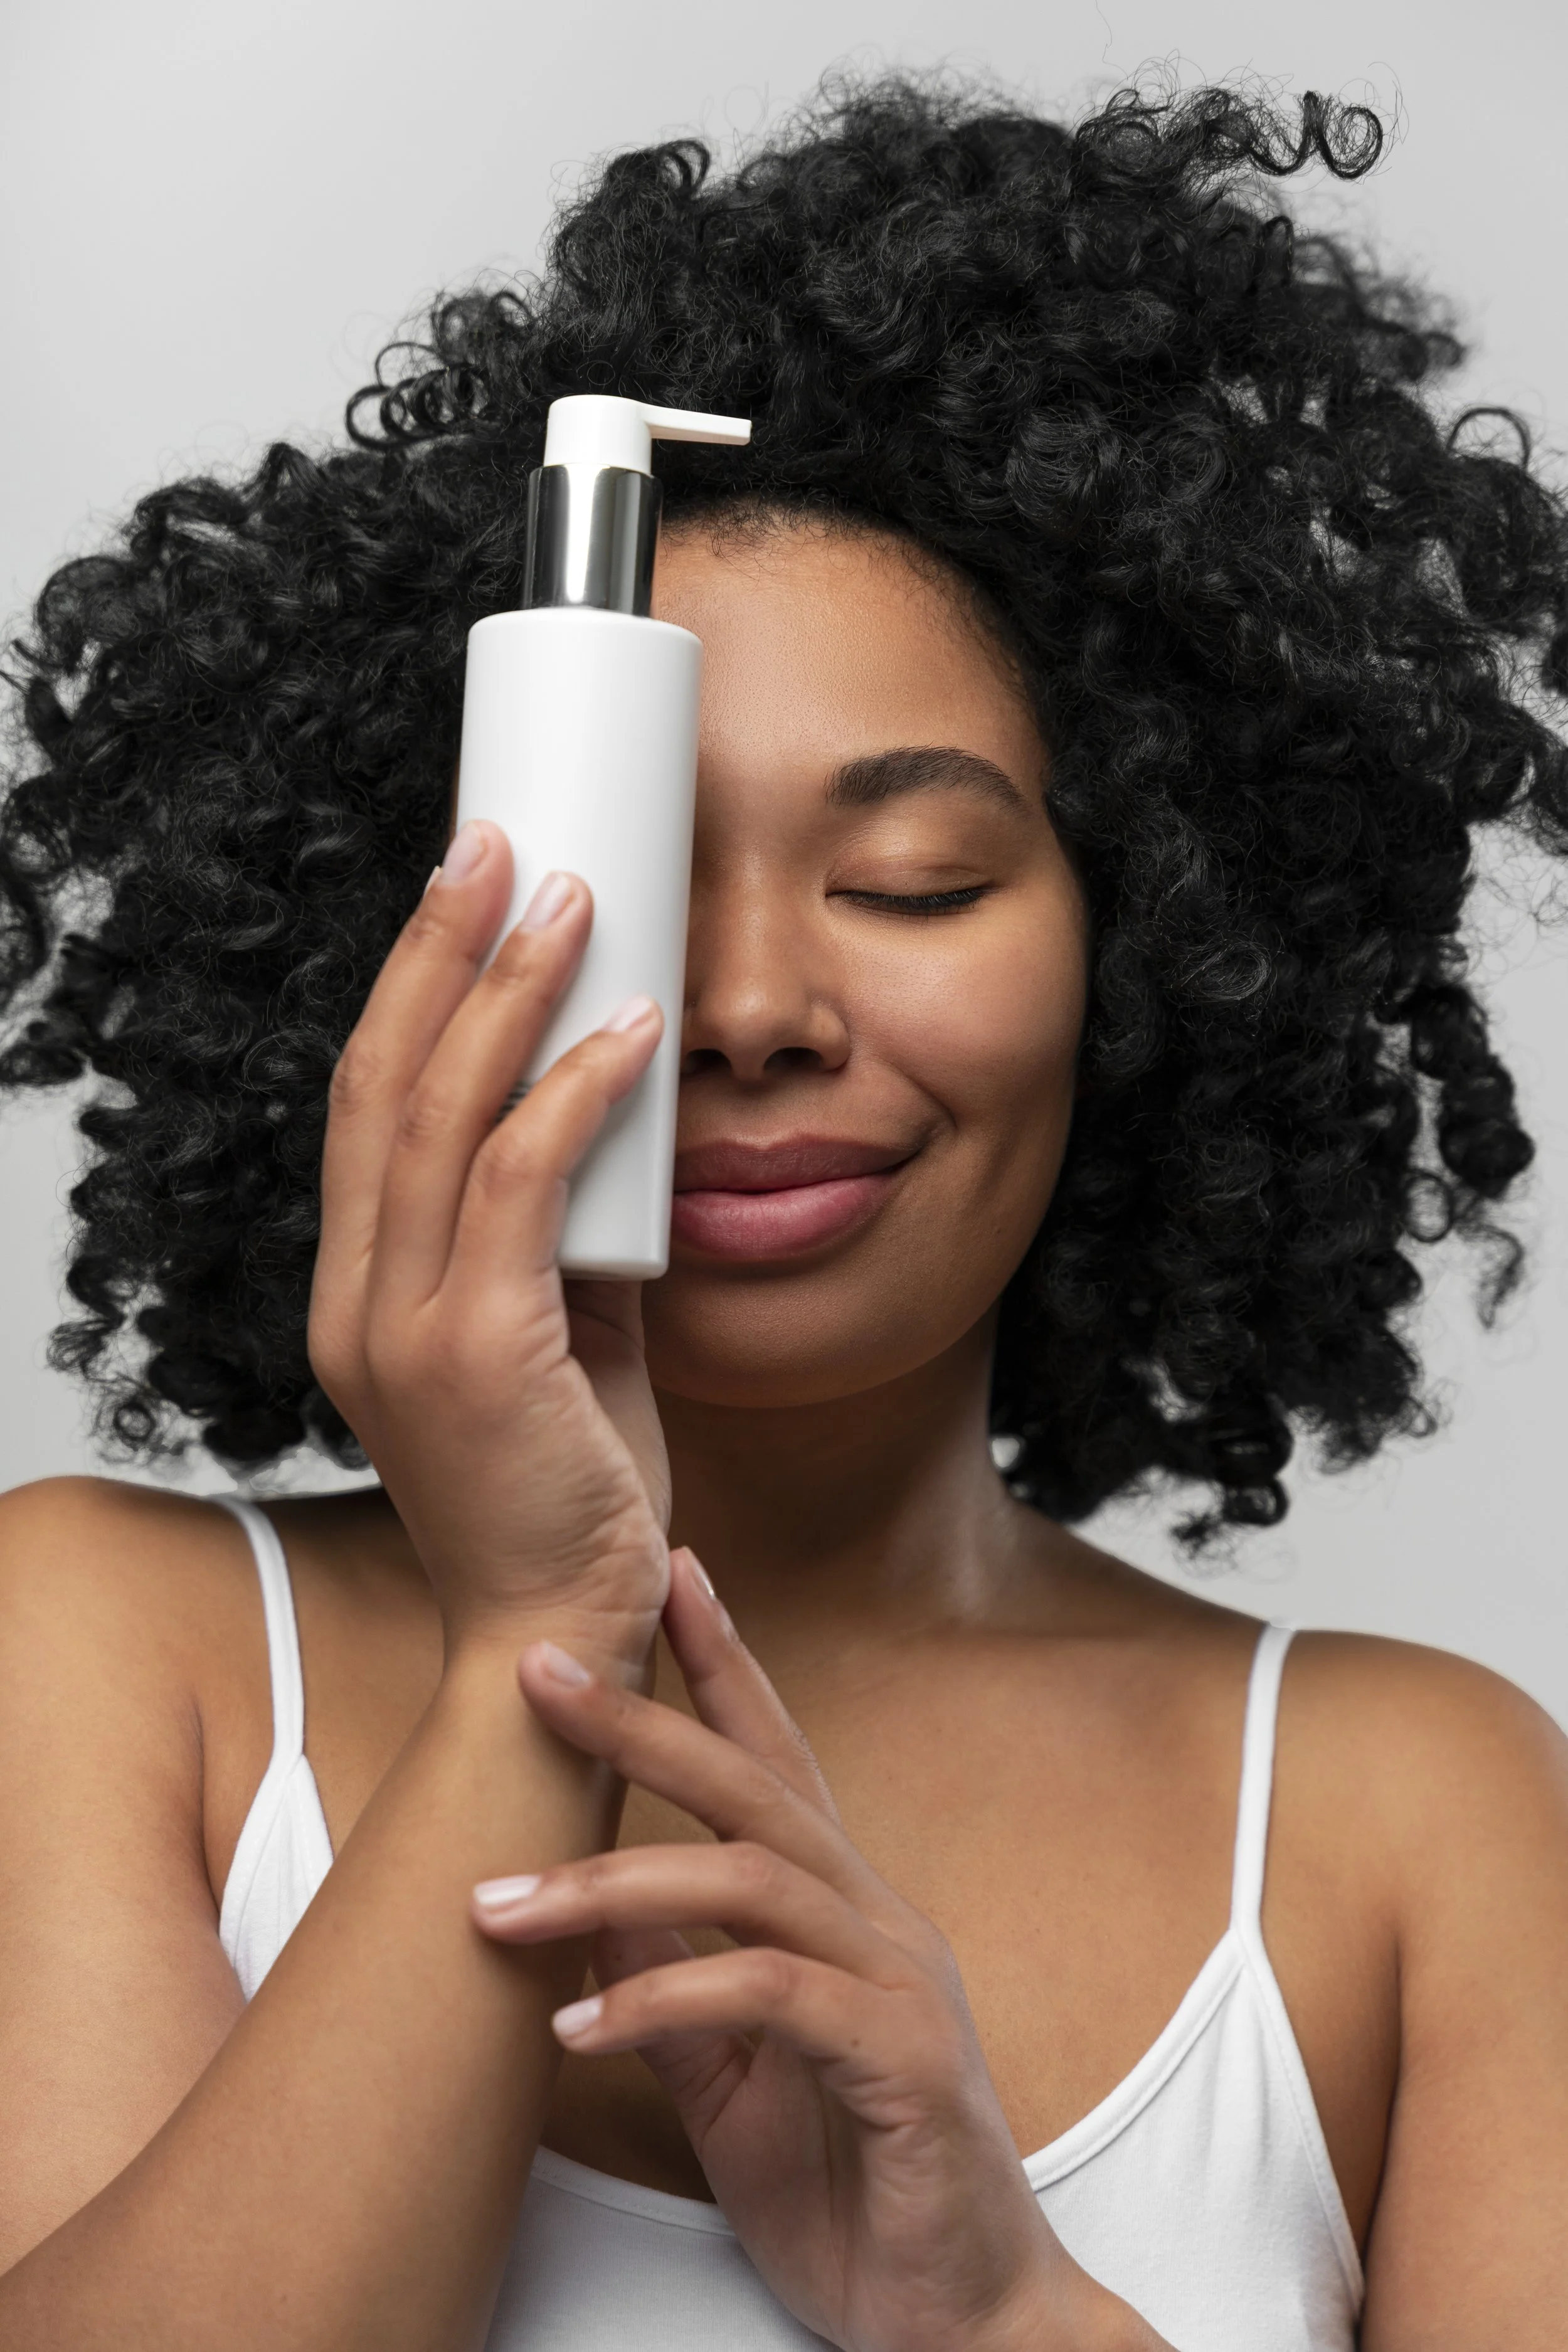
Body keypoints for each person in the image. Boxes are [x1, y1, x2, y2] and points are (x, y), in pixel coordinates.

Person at [0, 72, 1564, 2352]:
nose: (741, 1004)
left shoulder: (1416, 1825)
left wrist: (1001, 2300)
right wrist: (543, 1633)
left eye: (906, 878)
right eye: (635, 880)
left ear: (1153, 940)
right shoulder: (103, 1655)